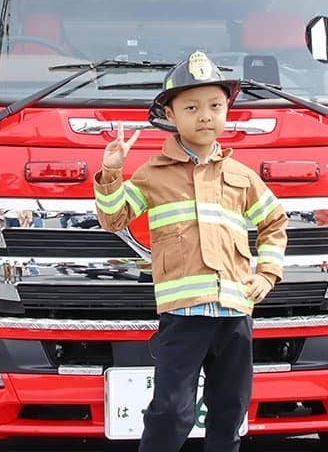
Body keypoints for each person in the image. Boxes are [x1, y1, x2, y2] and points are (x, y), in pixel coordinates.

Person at [93, 51, 288, 452]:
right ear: (170, 114)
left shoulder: (241, 176)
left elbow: (274, 222)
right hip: (183, 318)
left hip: (234, 315)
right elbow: (113, 218)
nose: (205, 116)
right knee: (171, 412)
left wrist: (267, 274)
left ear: (227, 110)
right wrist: (112, 171)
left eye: (215, 106)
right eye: (192, 108)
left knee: (229, 411)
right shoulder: (153, 174)